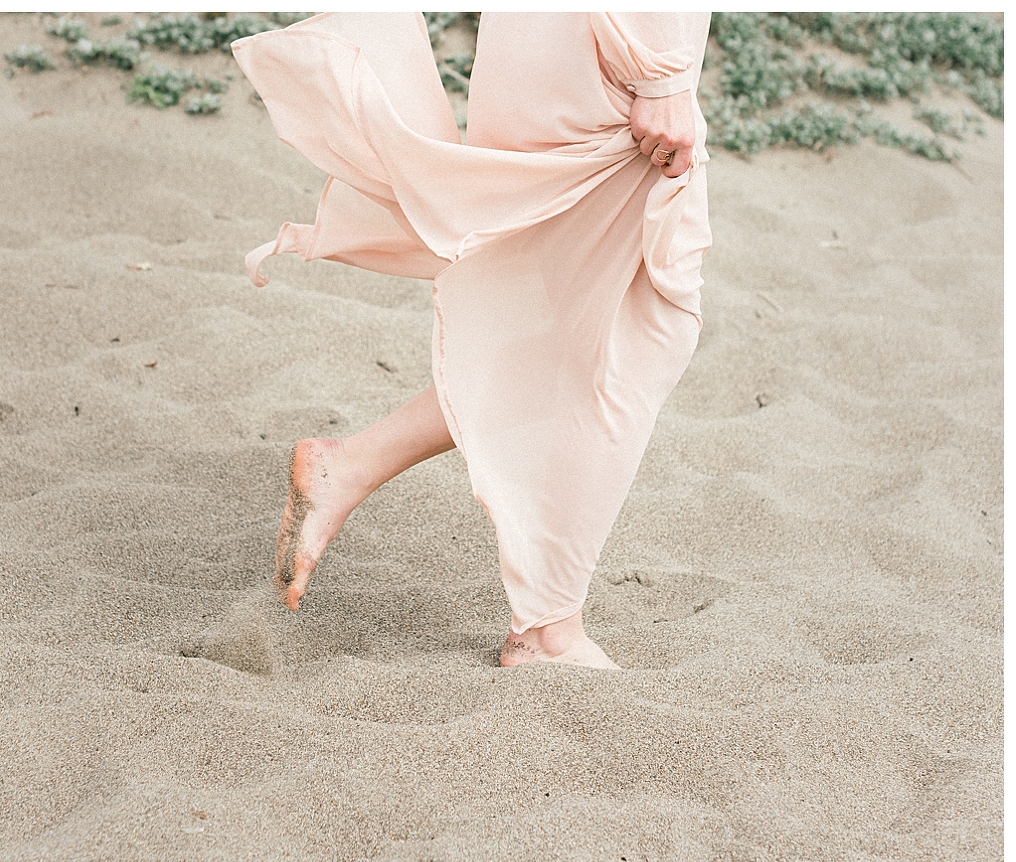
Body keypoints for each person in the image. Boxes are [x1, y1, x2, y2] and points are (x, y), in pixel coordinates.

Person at [231, 12, 712, 669]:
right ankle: (547, 632)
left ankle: (351, 467)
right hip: (609, 46)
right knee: (644, 321)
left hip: (561, 37)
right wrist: (660, 71)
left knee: (582, 316)